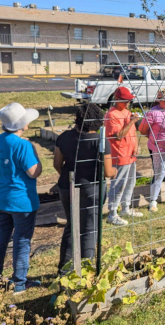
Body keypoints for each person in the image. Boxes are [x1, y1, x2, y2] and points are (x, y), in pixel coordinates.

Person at [53, 104, 116, 275]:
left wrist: (70, 176)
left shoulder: (64, 137)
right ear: (99, 122)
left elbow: (57, 164)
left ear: (77, 119)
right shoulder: (101, 142)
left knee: (71, 226)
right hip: (92, 189)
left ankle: (64, 271)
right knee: (89, 229)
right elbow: (108, 172)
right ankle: (86, 271)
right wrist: (115, 171)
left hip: (68, 186)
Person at [0, 103, 42, 293]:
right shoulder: (23, 145)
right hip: (21, 201)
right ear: (23, 125)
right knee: (22, 241)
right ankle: (20, 283)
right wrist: (34, 151)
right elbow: (34, 172)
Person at [105, 86, 142, 226]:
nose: (127, 103)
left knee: (130, 182)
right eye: (125, 101)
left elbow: (132, 132)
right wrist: (132, 121)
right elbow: (119, 135)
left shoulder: (127, 112)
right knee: (118, 184)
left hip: (130, 155)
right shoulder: (112, 115)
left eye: (129, 101)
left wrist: (136, 145)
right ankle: (112, 213)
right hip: (120, 155)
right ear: (117, 99)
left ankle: (125, 208)